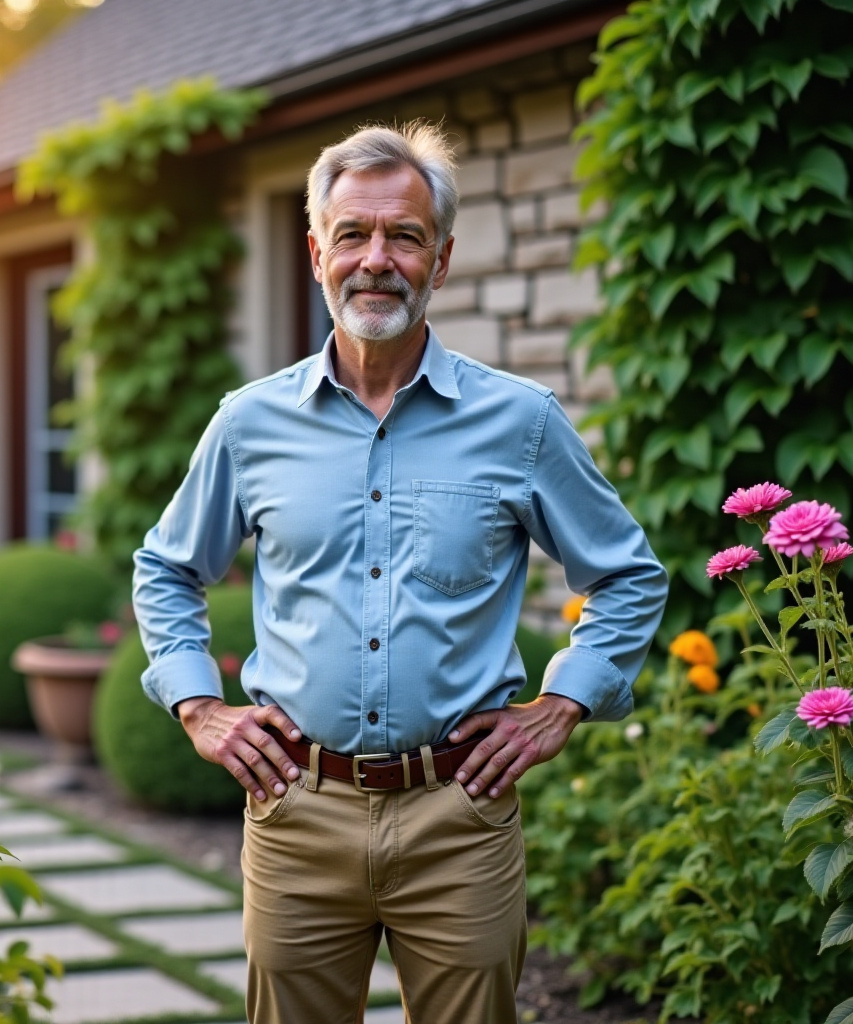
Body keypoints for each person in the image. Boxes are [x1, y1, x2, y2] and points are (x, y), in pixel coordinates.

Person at [130, 123, 667, 1024]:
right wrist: (199, 706)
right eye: (353, 234)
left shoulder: (521, 422)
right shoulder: (248, 423)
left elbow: (628, 575)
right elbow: (166, 567)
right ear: (316, 253)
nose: (376, 260)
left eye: (404, 237)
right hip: (296, 812)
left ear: (442, 260)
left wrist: (562, 703)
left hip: (462, 816)